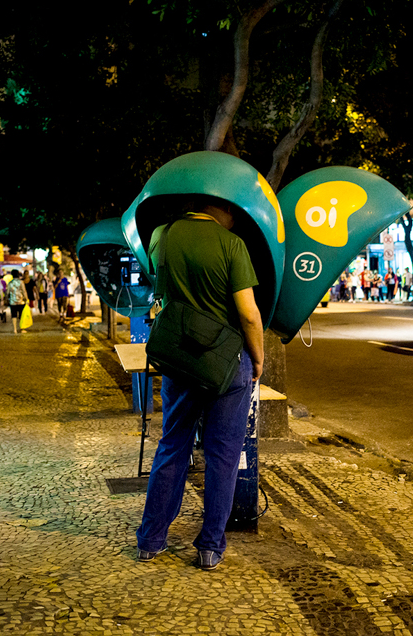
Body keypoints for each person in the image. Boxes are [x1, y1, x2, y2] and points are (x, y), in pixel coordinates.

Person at [136, 200, 264, 571]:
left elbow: (158, 287)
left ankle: (150, 540)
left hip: (179, 360)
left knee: (172, 446)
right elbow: (248, 314)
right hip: (225, 365)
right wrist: (257, 358)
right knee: (222, 456)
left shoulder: (163, 235)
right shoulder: (230, 244)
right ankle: (210, 547)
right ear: (222, 205)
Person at [7, 269, 27, 333]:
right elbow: (24, 291)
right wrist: (26, 298)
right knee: (21, 315)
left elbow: (7, 292)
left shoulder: (10, 283)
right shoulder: (21, 282)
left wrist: (7, 298)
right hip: (21, 301)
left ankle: (15, 329)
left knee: (14, 315)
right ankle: (22, 329)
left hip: (13, 302)